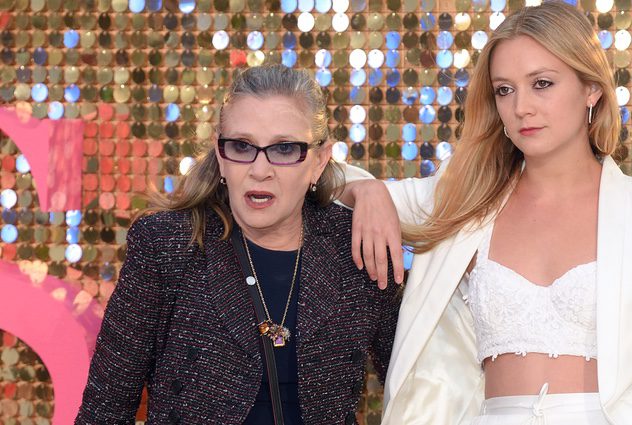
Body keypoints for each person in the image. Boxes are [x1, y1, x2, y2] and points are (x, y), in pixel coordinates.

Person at [340, 3, 632, 424]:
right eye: (505, 89)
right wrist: (368, 190)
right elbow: (319, 178)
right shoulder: (465, 200)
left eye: (541, 83)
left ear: (591, 89)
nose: (521, 106)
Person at [75, 65, 400, 425]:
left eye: (285, 148)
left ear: (319, 161)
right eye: (242, 146)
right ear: (220, 154)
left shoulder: (356, 245)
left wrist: (370, 188)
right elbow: (105, 406)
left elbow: (414, 385)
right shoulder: (165, 245)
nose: (260, 170)